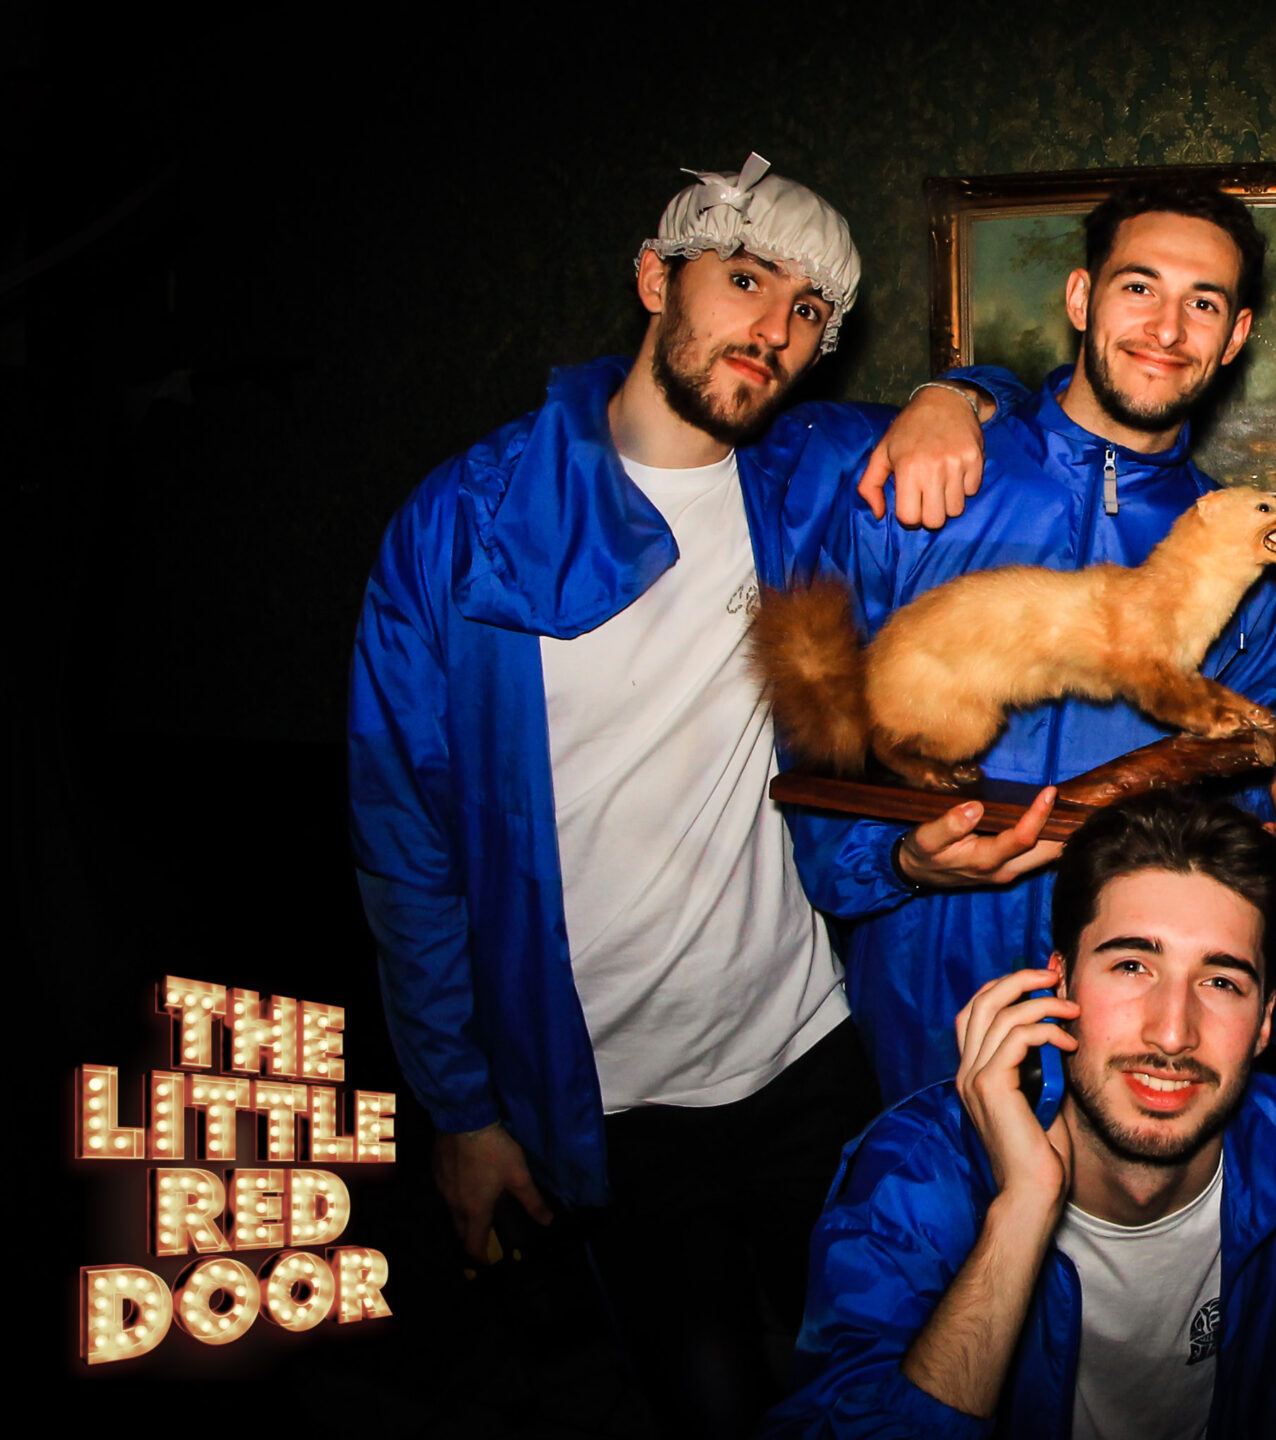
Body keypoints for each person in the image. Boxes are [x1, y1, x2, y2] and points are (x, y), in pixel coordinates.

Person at [348, 154, 1023, 1435]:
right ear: (657, 279)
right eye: (747, 281)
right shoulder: (467, 524)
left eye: (810, 311)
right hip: (608, 1097)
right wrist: (463, 1110)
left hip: (809, 1048)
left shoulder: (804, 473)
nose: (775, 329)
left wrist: (956, 393)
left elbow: (1027, 414)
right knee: (702, 1401)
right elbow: (405, 844)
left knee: (892, 1385)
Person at [804, 176, 1276, 1105]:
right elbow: (818, 733)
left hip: (1146, 1011)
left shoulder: (1244, 555)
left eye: (1203, 303)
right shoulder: (926, 477)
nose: (1167, 327)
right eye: (1140, 286)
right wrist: (893, 863)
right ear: (1080, 298)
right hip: (934, 984)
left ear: (1235, 337)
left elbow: (1243, 771)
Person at [768, 790, 1276, 1438]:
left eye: (1221, 982)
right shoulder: (912, 1184)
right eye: (1132, 966)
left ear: (1266, 1019)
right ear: (1060, 981)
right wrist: (1021, 1210)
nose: (1172, 1034)